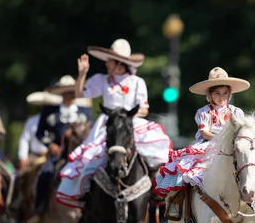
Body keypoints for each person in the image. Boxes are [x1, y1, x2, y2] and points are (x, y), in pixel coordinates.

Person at [57, 39, 171, 209]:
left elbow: (144, 109)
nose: (107, 64)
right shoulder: (101, 80)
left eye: (110, 60)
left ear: (120, 63)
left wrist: (124, 116)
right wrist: (82, 74)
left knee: (152, 152)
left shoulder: (137, 82)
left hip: (130, 122)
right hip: (108, 123)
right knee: (93, 157)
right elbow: (80, 94)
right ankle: (88, 193)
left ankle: (154, 189)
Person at [153, 67, 250, 220]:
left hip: (231, 145)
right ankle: (177, 202)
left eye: (225, 93)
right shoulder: (204, 111)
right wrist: (220, 141)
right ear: (209, 94)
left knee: (249, 166)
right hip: (209, 143)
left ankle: (250, 199)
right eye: (217, 93)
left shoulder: (236, 112)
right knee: (188, 171)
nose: (221, 97)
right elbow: (205, 132)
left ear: (230, 95)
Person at [28, 76, 94, 223]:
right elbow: (40, 132)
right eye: (66, 92)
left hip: (80, 156)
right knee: (45, 173)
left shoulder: (85, 112)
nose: (70, 95)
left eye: (72, 92)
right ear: (61, 93)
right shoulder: (50, 111)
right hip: (57, 155)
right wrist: (51, 144)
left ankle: (94, 211)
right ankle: (40, 209)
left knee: (95, 176)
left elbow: (92, 132)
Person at [18, 91, 62, 171]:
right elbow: (24, 138)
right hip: (36, 156)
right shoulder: (32, 120)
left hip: (52, 155)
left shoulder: (57, 119)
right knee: (22, 174)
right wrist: (23, 157)